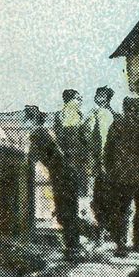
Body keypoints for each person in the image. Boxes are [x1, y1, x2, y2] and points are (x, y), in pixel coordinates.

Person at [22, 105, 82, 256]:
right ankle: (73, 246)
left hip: (62, 177)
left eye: (26, 119)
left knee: (65, 214)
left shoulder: (37, 134)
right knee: (66, 213)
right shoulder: (43, 133)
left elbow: (30, 158)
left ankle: (73, 248)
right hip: (65, 176)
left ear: (32, 120)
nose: (25, 122)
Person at [106, 95, 139, 253]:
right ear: (137, 108)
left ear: (124, 107)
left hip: (121, 175)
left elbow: (108, 150)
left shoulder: (116, 124)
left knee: (121, 210)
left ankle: (120, 244)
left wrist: (111, 171)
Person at [85, 85, 119, 240]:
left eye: (101, 96)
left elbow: (95, 140)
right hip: (106, 163)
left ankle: (104, 227)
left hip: (103, 162)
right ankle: (108, 227)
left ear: (106, 98)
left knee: (101, 196)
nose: (98, 98)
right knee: (105, 195)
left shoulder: (101, 115)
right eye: (97, 95)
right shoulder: (110, 115)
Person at [56, 89, 92, 227]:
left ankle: (75, 216)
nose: (80, 100)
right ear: (70, 100)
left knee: (75, 189)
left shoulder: (63, 116)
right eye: (78, 98)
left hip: (72, 159)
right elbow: (85, 139)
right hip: (75, 159)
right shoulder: (75, 116)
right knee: (79, 189)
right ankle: (78, 217)